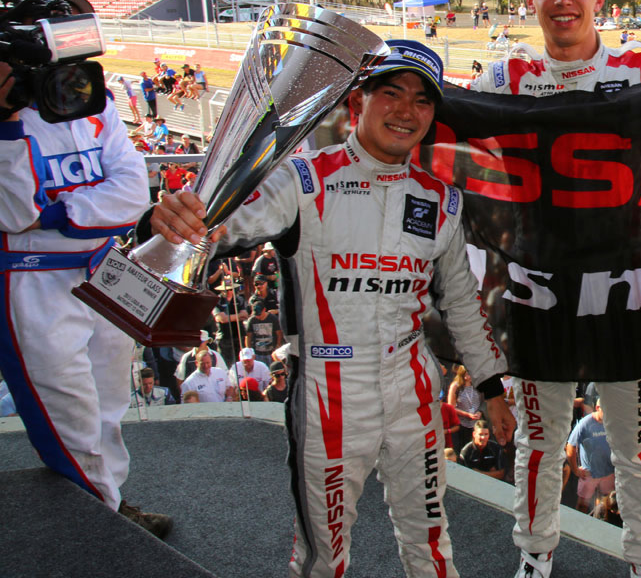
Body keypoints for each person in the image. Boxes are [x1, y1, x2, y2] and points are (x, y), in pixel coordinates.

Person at [147, 41, 514, 578]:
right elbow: (221, 228)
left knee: (432, 544)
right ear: (356, 104)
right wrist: (171, 221)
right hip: (328, 389)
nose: (406, 111)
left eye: (421, 100)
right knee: (324, 556)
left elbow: (460, 301)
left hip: (413, 386)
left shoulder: (442, 199)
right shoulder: (302, 179)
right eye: (391, 93)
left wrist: (491, 389)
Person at [471, 0, 641, 578]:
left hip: (626, 295)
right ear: (530, 0)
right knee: (537, 443)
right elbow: (454, 147)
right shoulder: (504, 77)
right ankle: (535, 555)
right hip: (539, 297)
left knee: (638, 445)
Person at [0, 0, 172, 538]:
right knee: (66, 412)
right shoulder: (8, 114)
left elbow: (130, 196)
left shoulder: (91, 103)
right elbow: (10, 209)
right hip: (32, 283)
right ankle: (95, 521)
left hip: (102, 270)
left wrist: (52, 213)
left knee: (107, 404)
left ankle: (109, 503)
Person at [566, 400, 615, 512]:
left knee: (606, 505)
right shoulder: (585, 423)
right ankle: (578, 527)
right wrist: (575, 470)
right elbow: (570, 447)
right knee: (582, 506)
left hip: (608, 473)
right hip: (589, 474)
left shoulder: (611, 423)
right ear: (598, 407)